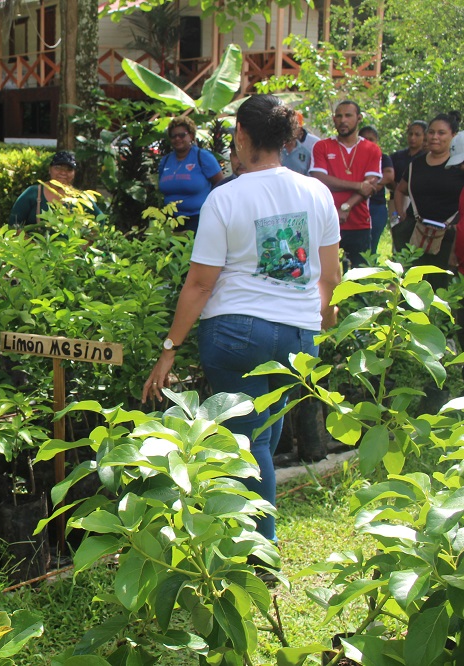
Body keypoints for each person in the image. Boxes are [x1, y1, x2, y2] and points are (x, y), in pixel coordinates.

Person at [142, 95, 342, 544]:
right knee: (263, 440)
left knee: (248, 444)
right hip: (298, 335)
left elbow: (199, 285)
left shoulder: (224, 198)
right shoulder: (317, 192)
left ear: (242, 137)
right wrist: (324, 321)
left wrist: (169, 350)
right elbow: (331, 276)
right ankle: (255, 540)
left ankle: (259, 550)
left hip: (235, 334)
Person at [391, 113, 464, 291]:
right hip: (416, 234)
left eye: (441, 133)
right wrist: (401, 215)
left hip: (448, 238)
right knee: (411, 285)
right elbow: (400, 190)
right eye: (431, 132)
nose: (435, 137)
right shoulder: (415, 165)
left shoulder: (459, 165)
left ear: (453, 136)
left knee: (441, 287)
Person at [310, 100, 382, 268]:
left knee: (360, 279)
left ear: (359, 118)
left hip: (359, 223)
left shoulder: (372, 149)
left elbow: (370, 186)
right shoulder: (322, 146)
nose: (343, 120)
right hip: (326, 220)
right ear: (334, 120)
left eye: (348, 115)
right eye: (339, 116)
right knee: (325, 275)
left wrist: (346, 207)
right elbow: (320, 179)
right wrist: (358, 185)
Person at [157, 115, 224, 234]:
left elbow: (220, 184)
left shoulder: (203, 157)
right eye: (173, 136)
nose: (177, 139)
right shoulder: (165, 161)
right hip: (171, 221)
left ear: (191, 135)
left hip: (198, 219)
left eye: (182, 135)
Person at [8, 151, 102, 227]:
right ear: (50, 169)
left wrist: (88, 242)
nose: (63, 172)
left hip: (70, 250)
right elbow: (14, 222)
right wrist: (29, 243)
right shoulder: (33, 193)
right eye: (58, 168)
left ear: (74, 173)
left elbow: (101, 219)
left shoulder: (80, 198)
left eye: (69, 169)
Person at [389, 120, 428, 252]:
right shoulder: (397, 156)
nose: (413, 138)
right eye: (410, 134)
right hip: (396, 198)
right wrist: (397, 188)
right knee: (398, 231)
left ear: (424, 137)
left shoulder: (426, 157)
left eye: (417, 135)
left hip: (417, 200)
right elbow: (389, 176)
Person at [358, 126, 395, 254]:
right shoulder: (353, 158)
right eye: (364, 139)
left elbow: (389, 175)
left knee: (372, 244)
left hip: (376, 206)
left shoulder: (383, 158)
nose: (368, 142)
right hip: (356, 206)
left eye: (371, 139)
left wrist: (371, 185)